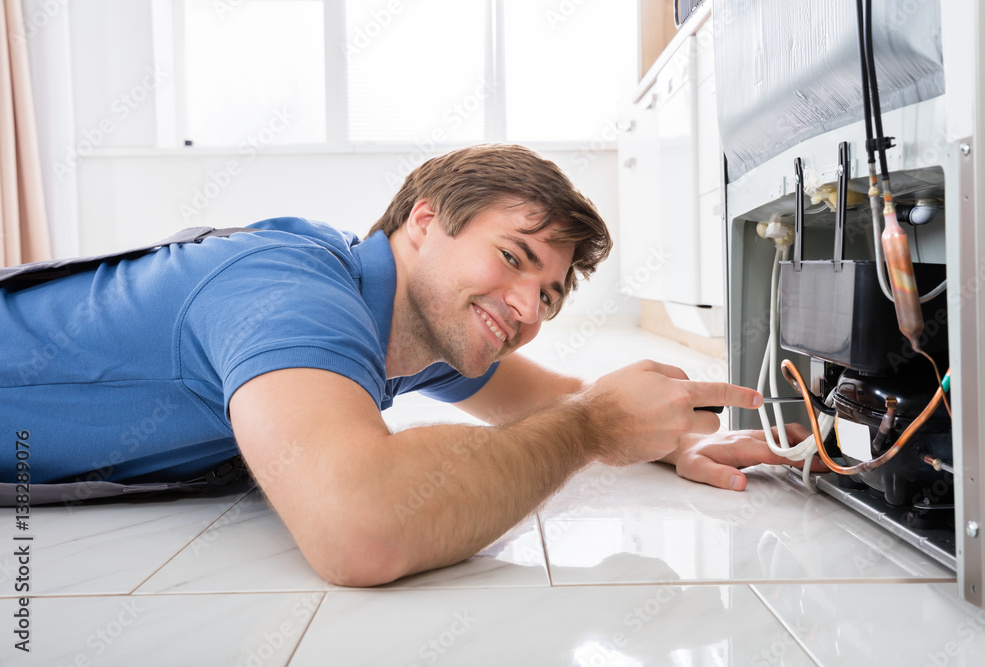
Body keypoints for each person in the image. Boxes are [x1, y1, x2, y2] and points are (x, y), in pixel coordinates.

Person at [1, 144, 814, 586]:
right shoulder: (294, 294)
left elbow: (561, 397)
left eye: (551, 294)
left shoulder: (411, 331)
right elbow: (364, 529)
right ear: (424, 220)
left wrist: (669, 437)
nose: (528, 309)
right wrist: (592, 428)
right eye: (512, 255)